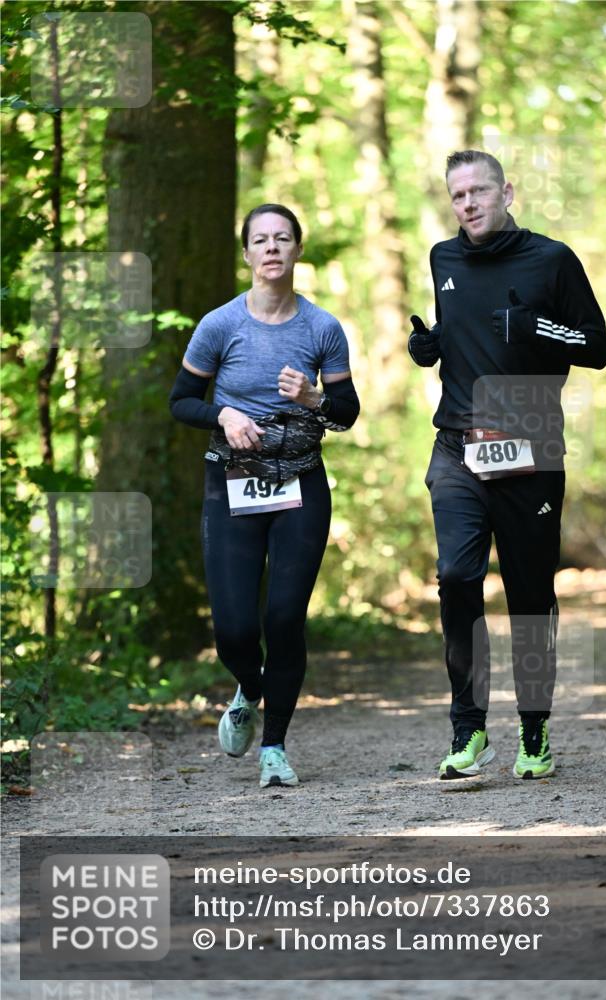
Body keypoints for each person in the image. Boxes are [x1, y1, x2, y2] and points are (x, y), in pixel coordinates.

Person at [409, 150, 606, 780]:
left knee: (529, 595)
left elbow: (597, 346)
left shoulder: (552, 259)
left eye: (479, 192)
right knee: (456, 578)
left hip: (530, 448)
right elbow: (462, 331)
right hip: (457, 447)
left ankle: (534, 730)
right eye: (458, 195)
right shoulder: (444, 258)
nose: (468, 204)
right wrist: (432, 346)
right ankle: (469, 732)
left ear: (507, 192)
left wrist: (538, 329)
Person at [169, 204, 359, 788]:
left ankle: (273, 746)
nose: (272, 247)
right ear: (247, 254)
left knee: (282, 618)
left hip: (300, 484)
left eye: (282, 238)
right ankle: (252, 692)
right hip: (231, 486)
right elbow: (180, 400)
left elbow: (347, 413)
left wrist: (312, 399)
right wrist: (223, 413)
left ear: (297, 250)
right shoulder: (220, 325)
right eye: (260, 239)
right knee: (231, 628)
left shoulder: (322, 328)